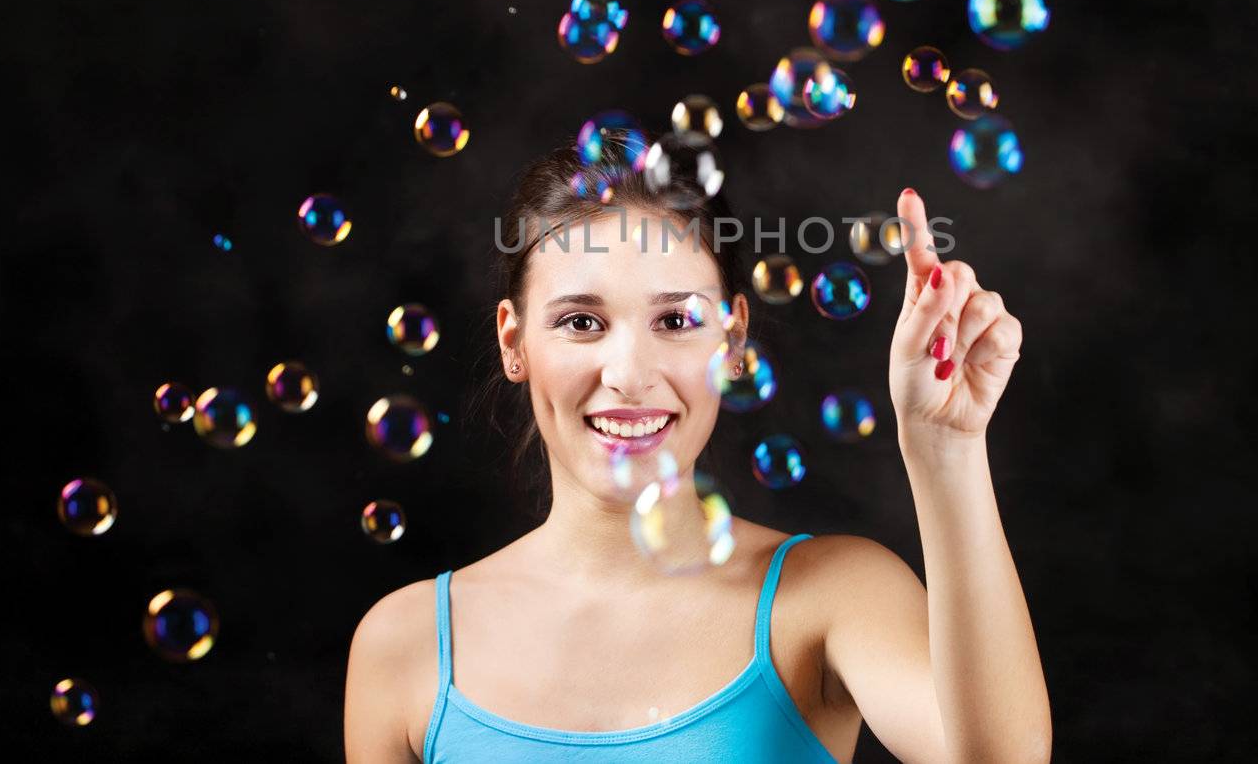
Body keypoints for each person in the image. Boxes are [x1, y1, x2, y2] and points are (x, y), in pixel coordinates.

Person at [344, 132, 1051, 763]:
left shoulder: (833, 595)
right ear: (513, 340)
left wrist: (944, 446)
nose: (629, 374)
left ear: (733, 338)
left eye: (677, 318)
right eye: (582, 321)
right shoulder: (404, 647)